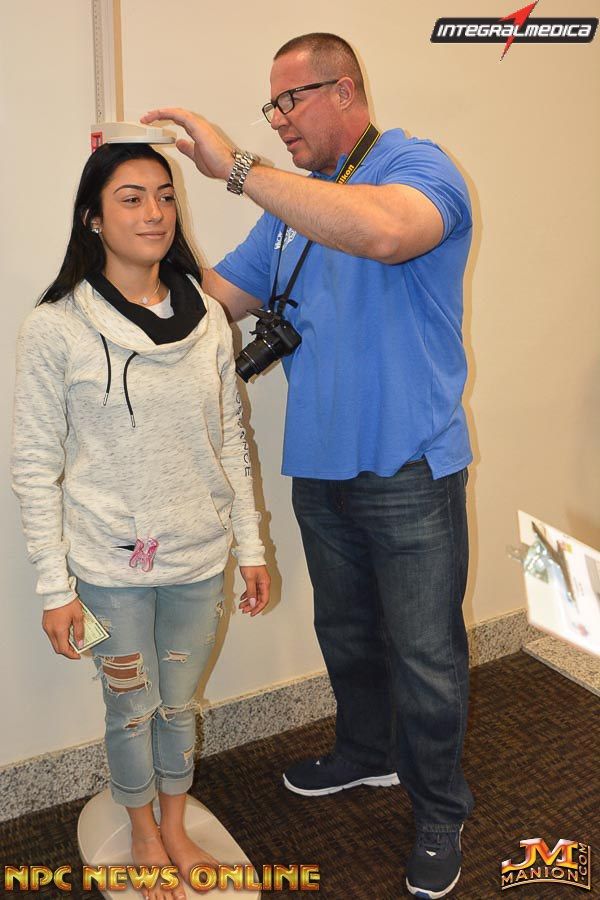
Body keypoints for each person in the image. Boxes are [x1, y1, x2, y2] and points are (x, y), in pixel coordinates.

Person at [142, 30, 473, 899]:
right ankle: (366, 752)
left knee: (426, 653)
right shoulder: (288, 215)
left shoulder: (418, 167)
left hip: (409, 464)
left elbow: (389, 233)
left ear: (345, 90)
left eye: (290, 100)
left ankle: (441, 810)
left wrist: (237, 166)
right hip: (321, 465)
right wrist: (143, 231)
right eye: (271, 106)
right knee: (348, 632)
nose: (278, 119)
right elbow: (215, 303)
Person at [11, 142, 270, 900]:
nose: (154, 212)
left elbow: (230, 439)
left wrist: (252, 546)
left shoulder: (208, 318)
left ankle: (175, 824)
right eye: (131, 198)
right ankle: (143, 831)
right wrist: (54, 589)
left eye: (164, 195)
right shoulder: (56, 327)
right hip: (106, 569)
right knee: (130, 708)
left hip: (199, 558)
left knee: (180, 704)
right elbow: (33, 465)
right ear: (93, 218)